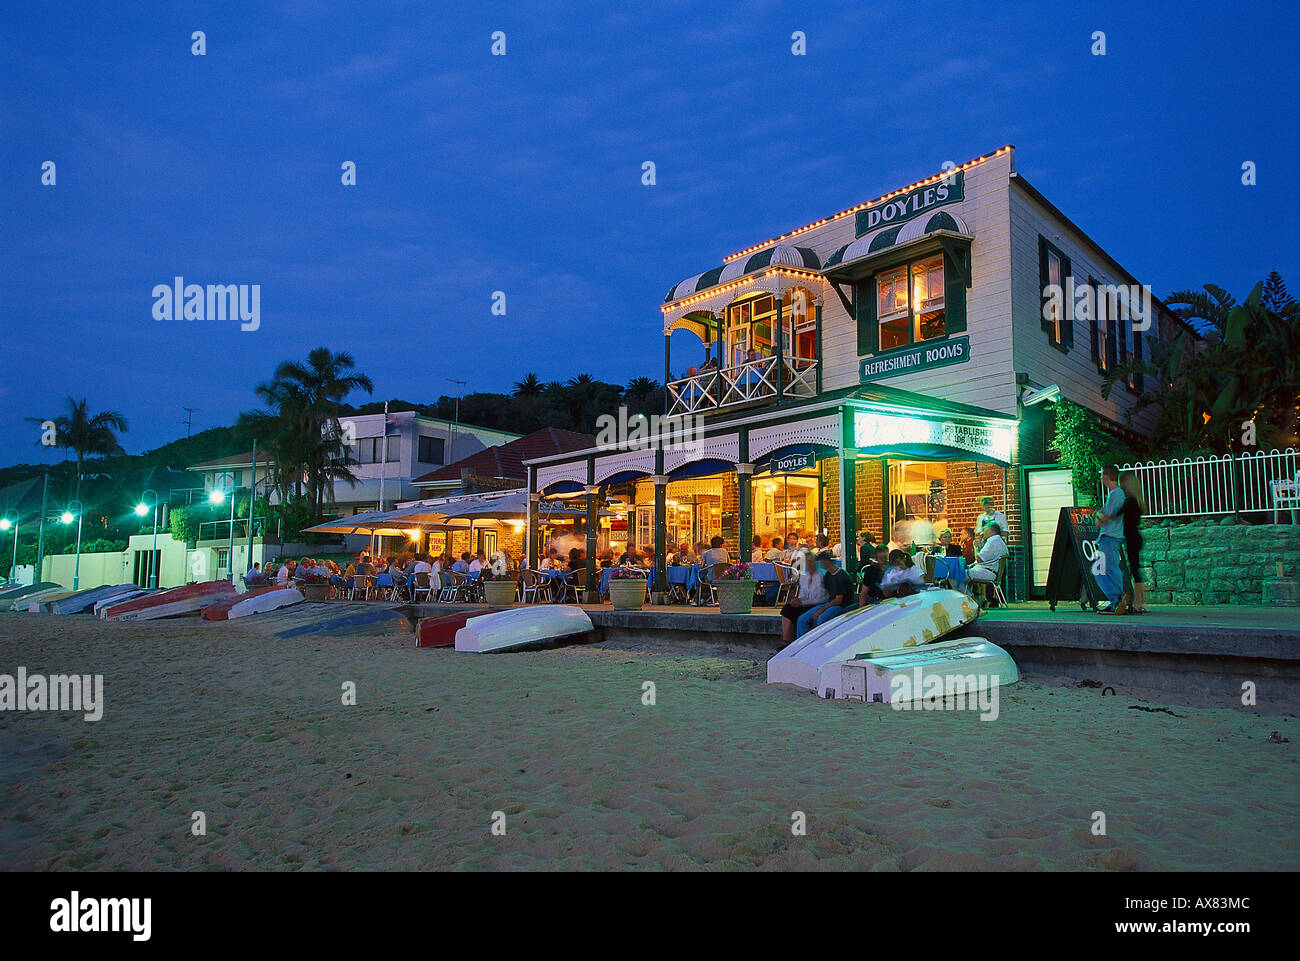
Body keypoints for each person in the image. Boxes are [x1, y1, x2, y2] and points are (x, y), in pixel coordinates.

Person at [1094, 466, 1130, 614]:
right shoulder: (1116, 494)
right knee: (1109, 569)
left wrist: (1099, 516)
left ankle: (1116, 600)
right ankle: (1117, 600)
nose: (1101, 478)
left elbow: (1109, 515)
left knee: (1101, 570)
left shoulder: (1116, 494)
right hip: (1112, 537)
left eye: (1102, 475)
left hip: (1110, 536)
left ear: (1107, 477)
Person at [795, 551, 854, 637]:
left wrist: (821, 609)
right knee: (802, 619)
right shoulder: (828, 575)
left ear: (825, 561)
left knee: (821, 618)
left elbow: (838, 600)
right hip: (830, 603)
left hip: (841, 605)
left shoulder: (842, 575)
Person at [779, 550, 829, 643]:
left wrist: (803, 602)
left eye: (811, 561)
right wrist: (797, 600)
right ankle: (786, 640)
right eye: (807, 562)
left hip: (818, 603)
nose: (809, 564)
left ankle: (802, 643)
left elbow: (820, 597)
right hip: (806, 603)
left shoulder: (822, 575)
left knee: (802, 618)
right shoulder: (804, 576)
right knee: (787, 609)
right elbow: (802, 593)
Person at [1120, 471, 1148, 613]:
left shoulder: (1129, 501)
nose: (1120, 486)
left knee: (1134, 570)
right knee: (1135, 569)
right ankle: (1139, 602)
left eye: (1122, 482)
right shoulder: (1136, 500)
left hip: (1131, 537)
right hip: (1135, 536)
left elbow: (1116, 514)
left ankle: (1137, 603)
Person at [966, 522, 1009, 605]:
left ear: (990, 531)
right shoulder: (1000, 542)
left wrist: (977, 548)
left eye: (984, 530)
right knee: (962, 575)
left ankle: (971, 600)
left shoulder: (992, 542)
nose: (983, 533)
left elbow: (979, 559)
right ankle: (971, 599)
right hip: (993, 572)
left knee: (957, 576)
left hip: (986, 572)